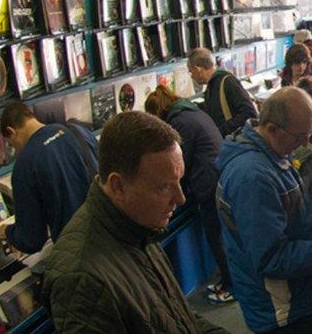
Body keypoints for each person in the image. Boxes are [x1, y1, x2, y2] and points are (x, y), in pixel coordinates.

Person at [43, 112, 225, 333]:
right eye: (164, 187)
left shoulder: (138, 226)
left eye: (178, 182)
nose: (180, 198)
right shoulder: (81, 280)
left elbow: (178, 316)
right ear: (118, 186)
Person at [216, 87, 312, 333]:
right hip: (284, 311)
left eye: (309, 134)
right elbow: (271, 257)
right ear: (271, 129)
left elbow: (293, 220)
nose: (305, 143)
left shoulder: (275, 153)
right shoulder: (253, 177)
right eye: (300, 136)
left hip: (302, 295)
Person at [145, 85, 234, 305]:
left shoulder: (179, 123)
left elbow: (178, 165)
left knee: (217, 237)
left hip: (208, 183)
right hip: (219, 176)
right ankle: (229, 281)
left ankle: (232, 286)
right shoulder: (193, 111)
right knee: (222, 236)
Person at [0, 101, 98, 253]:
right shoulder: (78, 131)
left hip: (78, 254)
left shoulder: (25, 164)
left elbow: (31, 240)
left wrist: (7, 232)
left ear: (12, 132)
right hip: (113, 237)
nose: (15, 150)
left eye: (11, 144)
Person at [188, 47, 257, 136]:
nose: (191, 76)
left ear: (198, 69)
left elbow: (249, 113)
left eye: (191, 71)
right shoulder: (212, 85)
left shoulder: (227, 82)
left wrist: (220, 131)